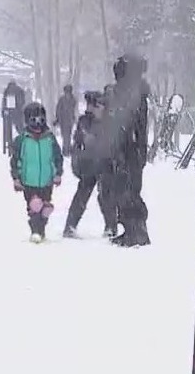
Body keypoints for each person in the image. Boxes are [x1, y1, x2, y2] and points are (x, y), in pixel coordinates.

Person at [106, 53, 152, 248]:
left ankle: (136, 230)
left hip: (128, 148)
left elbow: (128, 122)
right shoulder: (134, 92)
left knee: (127, 190)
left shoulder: (131, 94)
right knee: (126, 189)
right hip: (129, 147)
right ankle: (133, 229)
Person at [63, 91, 118, 238]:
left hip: (105, 163)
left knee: (106, 196)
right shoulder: (84, 122)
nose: (92, 108)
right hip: (88, 163)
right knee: (82, 195)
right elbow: (78, 143)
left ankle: (111, 226)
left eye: (97, 106)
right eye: (91, 105)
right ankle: (70, 226)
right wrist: (76, 161)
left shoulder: (110, 122)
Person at [9, 102, 64, 243]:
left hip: (46, 179)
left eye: (41, 120)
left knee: (45, 207)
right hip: (28, 180)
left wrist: (58, 174)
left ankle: (42, 229)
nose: (38, 125)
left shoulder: (50, 138)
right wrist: (16, 178)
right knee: (34, 206)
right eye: (34, 120)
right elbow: (15, 160)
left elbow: (57, 157)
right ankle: (35, 231)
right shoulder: (22, 140)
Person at [53, 84, 78, 156]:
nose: (67, 93)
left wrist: (74, 118)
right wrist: (58, 118)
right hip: (63, 120)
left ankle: (67, 150)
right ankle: (65, 149)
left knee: (68, 135)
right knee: (65, 136)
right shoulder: (61, 100)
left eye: (68, 92)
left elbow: (74, 110)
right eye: (66, 92)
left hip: (69, 121)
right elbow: (58, 109)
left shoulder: (73, 100)